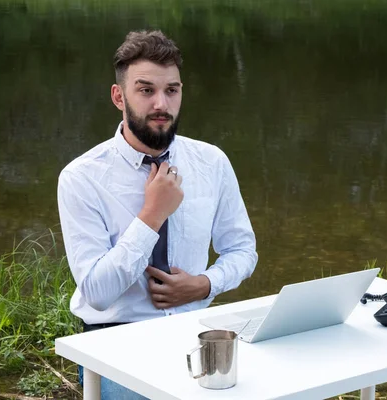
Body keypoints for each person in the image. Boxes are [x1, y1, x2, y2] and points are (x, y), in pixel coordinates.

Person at [57, 30, 258, 399]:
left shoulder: (211, 162)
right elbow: (97, 293)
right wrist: (152, 215)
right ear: (119, 96)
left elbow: (243, 250)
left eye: (172, 90)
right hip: (114, 344)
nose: (161, 104)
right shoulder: (81, 177)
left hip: (195, 334)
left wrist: (205, 284)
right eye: (146, 90)